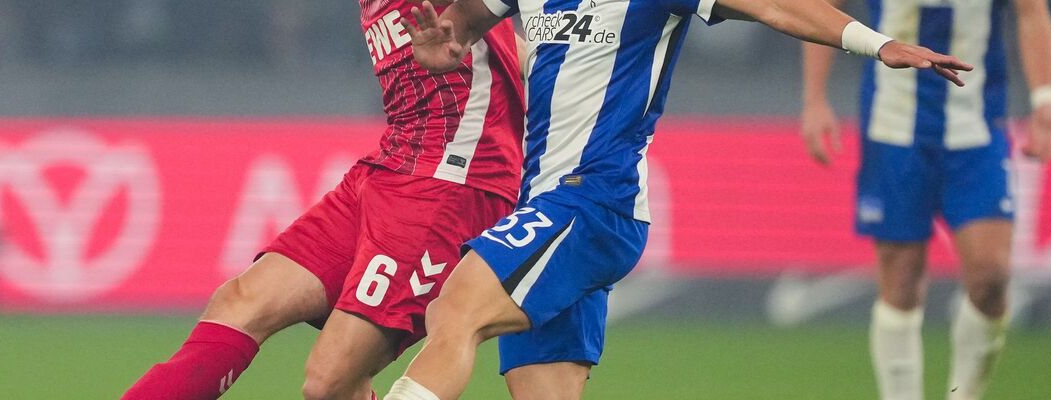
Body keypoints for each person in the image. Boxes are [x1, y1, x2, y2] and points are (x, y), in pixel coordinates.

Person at [384, 0, 974, 398]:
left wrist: (876, 43)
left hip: (594, 202)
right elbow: (458, 21)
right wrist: (447, 42)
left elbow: (774, 4)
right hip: (541, 204)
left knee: (454, 310)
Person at [121, 1, 526, 398]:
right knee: (241, 302)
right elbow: (519, 45)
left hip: (453, 182)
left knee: (328, 381)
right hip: (389, 166)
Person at [799, 0, 1051, 398]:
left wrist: (1044, 101)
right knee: (900, 281)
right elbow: (823, 6)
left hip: (975, 129)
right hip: (893, 128)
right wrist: (814, 98)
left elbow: (1032, 12)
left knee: (991, 277)